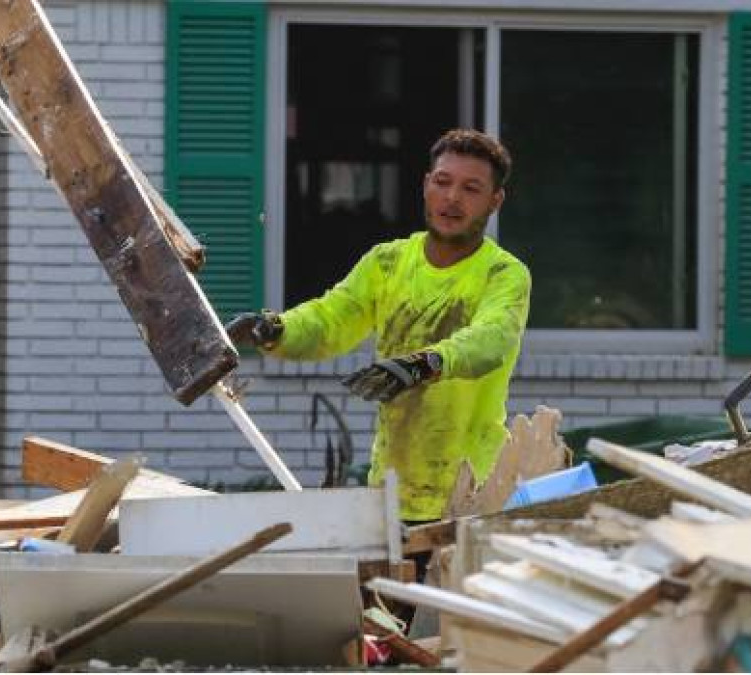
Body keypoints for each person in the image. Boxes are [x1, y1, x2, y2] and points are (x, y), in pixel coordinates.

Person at [227, 128, 531, 524]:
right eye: (443, 182)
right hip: (389, 493)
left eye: (471, 189)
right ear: (426, 185)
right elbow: (331, 319)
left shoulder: (503, 274)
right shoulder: (387, 263)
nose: (452, 198)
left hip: (472, 496)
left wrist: (423, 365)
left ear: (495, 201)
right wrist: (275, 330)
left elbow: (491, 340)